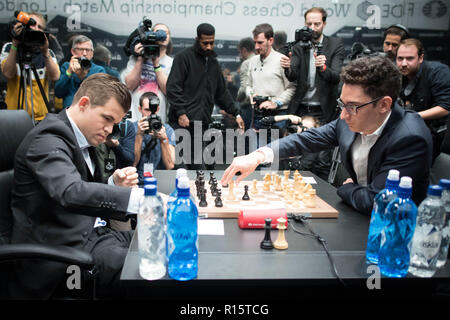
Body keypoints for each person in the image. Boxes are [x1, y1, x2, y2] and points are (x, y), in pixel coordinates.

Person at [221, 56, 432, 216]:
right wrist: (258, 156)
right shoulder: (349, 120)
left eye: (352, 107)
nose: (342, 115)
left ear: (384, 105)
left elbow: (376, 201)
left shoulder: (410, 138)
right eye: (342, 104)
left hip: (393, 235)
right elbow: (307, 139)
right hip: (356, 217)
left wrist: (347, 187)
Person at [9, 73, 142, 299]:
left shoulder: (82, 137)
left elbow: (81, 187)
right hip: (62, 254)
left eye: (115, 123)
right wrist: (140, 200)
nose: (110, 130)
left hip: (93, 235)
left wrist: (113, 184)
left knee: (159, 240)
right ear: (84, 104)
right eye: (107, 119)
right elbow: (70, 192)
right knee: (145, 269)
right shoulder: (47, 138)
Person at [166, 23, 244, 169]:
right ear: (197, 39)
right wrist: (181, 112)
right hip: (181, 123)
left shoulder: (213, 62)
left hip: (200, 125)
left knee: (198, 170)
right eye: (205, 43)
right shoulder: (183, 58)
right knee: (180, 169)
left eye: (211, 43)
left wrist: (236, 113)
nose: (209, 47)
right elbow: (172, 88)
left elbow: (221, 93)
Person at [280, 7, 345, 180]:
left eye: (317, 23)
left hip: (323, 110)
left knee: (323, 159)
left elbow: (336, 76)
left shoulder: (335, 44)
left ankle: (323, 199)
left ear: (324, 23)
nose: (313, 27)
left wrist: (323, 67)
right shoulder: (299, 45)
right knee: (298, 156)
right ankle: (296, 194)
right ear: (305, 24)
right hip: (301, 107)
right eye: (309, 24)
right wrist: (287, 67)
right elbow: (293, 76)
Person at [396, 38, 450, 161]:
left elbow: (446, 107)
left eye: (410, 58)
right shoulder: (398, 75)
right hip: (409, 132)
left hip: (435, 135)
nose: (403, 63)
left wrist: (410, 116)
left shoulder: (437, 72)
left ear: (420, 58)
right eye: (400, 59)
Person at [0, 11, 60, 122]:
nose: (35, 28)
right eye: (32, 24)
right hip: (14, 117)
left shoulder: (48, 53)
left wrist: (45, 51)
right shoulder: (9, 48)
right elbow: (8, 73)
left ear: (43, 31)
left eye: (40, 26)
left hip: (41, 119)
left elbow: (55, 77)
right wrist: (15, 44)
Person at [246, 23, 295, 140]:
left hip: (278, 116)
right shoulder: (252, 61)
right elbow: (248, 86)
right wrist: (251, 95)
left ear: (271, 40)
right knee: (256, 154)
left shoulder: (282, 60)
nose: (256, 47)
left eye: (260, 42)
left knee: (273, 154)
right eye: (255, 42)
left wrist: (276, 103)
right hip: (258, 115)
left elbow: (292, 88)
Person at [123, 23, 173, 123]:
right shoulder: (135, 58)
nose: (163, 35)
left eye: (166, 33)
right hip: (136, 115)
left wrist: (156, 65)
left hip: (159, 116)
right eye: (158, 32)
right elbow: (129, 86)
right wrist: (140, 59)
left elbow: (168, 90)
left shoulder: (171, 62)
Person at [134, 91, 176, 184]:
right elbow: (132, 164)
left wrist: (163, 140)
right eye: (147, 110)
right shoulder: (132, 128)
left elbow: (170, 166)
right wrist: (139, 136)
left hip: (159, 182)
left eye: (153, 110)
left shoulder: (167, 130)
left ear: (158, 109)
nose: (151, 114)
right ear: (140, 109)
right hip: (137, 182)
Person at [55, 35, 105, 108]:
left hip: (89, 112)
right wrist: (68, 72)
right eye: (81, 49)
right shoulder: (66, 66)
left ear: (92, 53)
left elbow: (100, 96)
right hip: (69, 112)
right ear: (73, 51)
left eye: (87, 50)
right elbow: (58, 93)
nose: (84, 53)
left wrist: (83, 77)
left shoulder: (99, 70)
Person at [236, 37, 255, 132]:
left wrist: (237, 99)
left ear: (244, 49)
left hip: (247, 107)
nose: (240, 55)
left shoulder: (246, 63)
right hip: (258, 107)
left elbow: (244, 88)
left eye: (239, 52)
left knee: (246, 139)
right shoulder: (259, 60)